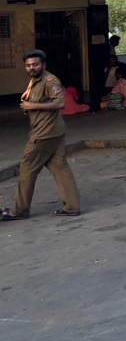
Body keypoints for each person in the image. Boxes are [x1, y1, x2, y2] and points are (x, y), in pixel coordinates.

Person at [1, 50, 82, 221]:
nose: (31, 68)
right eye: (28, 65)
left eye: (35, 64)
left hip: (44, 133)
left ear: (43, 65)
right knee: (60, 168)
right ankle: (72, 207)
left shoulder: (49, 81)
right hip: (54, 132)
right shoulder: (36, 81)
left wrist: (33, 106)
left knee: (27, 169)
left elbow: (60, 103)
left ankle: (19, 210)